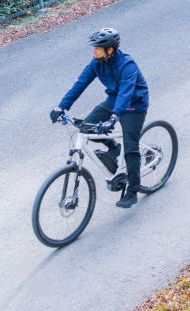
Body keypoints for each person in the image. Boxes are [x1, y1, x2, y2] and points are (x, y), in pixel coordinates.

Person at [49, 28, 150, 208]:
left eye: (97, 48)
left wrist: (113, 118)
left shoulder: (127, 65)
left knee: (131, 149)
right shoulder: (97, 62)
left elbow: (126, 94)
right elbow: (81, 83)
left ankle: (133, 191)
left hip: (134, 105)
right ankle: (113, 146)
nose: (94, 51)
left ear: (110, 50)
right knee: (86, 127)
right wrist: (62, 106)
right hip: (113, 100)